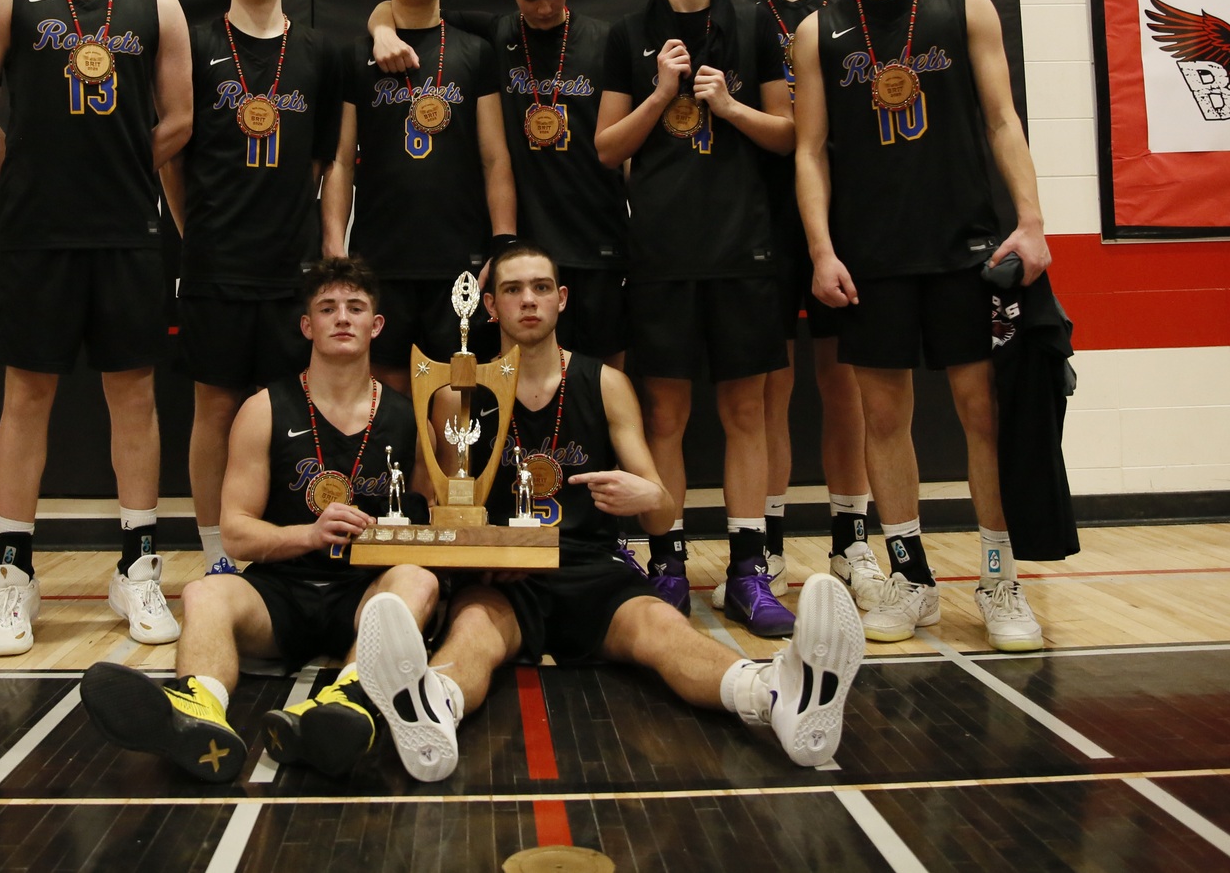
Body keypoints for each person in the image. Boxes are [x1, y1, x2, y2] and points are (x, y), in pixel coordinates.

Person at [354, 243, 864, 781]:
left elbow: (659, 516)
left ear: (562, 299)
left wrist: (648, 497)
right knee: (472, 635)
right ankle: (433, 707)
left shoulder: (606, 384)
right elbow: (437, 511)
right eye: (512, 289)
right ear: (490, 306)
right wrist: (483, 558)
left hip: (590, 566)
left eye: (541, 288)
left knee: (663, 629)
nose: (528, 300)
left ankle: (778, 695)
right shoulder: (458, 395)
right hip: (501, 575)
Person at [792, 0, 1051, 651]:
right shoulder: (818, 30)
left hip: (965, 247)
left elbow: (1003, 119)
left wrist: (1032, 220)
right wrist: (821, 249)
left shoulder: (962, 4)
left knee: (983, 414)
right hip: (871, 255)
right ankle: (911, 579)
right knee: (884, 418)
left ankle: (1000, 578)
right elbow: (810, 151)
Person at [0, 0, 192, 656]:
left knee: (133, 396)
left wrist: (120, 170)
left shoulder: (155, 1)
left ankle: (138, 567)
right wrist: (25, 171)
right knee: (25, 395)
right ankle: (15, 575)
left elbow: (181, 117)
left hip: (125, 229)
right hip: (36, 232)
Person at [79, 257, 439, 783]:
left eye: (356, 307)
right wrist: (309, 534)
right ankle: (198, 709)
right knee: (205, 592)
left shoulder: (409, 416)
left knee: (418, 580)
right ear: (307, 326)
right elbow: (236, 532)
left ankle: (351, 700)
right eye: (327, 308)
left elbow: (429, 524)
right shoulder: (265, 409)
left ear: (376, 325)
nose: (342, 317)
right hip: (282, 592)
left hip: (365, 592)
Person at [594, 0, 797, 637]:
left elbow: (789, 134)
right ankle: (669, 562)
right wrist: (660, 95)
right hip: (661, 253)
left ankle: (748, 569)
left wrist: (731, 108)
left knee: (745, 412)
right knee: (665, 416)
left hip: (744, 248)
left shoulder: (754, 24)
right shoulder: (628, 32)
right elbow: (606, 147)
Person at [163, 0, 345, 578]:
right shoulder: (196, 46)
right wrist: (194, 233)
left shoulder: (319, 51)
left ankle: (290, 543)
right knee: (214, 407)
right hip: (216, 261)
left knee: (292, 408)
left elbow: (325, 161)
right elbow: (172, 159)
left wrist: (324, 245)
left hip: (293, 264)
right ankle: (217, 550)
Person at [720, 0, 881, 615]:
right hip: (759, 213)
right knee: (770, 386)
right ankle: (771, 540)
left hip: (847, 208)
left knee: (845, 381)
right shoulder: (731, 7)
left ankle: (852, 538)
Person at [366, 0, 630, 363]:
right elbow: (406, 6)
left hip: (597, 233)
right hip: (524, 243)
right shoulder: (494, 35)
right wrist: (381, 31)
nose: (544, 8)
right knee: (521, 374)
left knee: (606, 373)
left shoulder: (608, 40)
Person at [324, 0, 516, 387]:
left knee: (457, 391)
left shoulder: (476, 52)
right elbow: (341, 161)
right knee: (386, 391)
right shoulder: (355, 57)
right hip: (380, 254)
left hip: (459, 257)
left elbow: (495, 158)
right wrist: (333, 242)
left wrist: (503, 242)